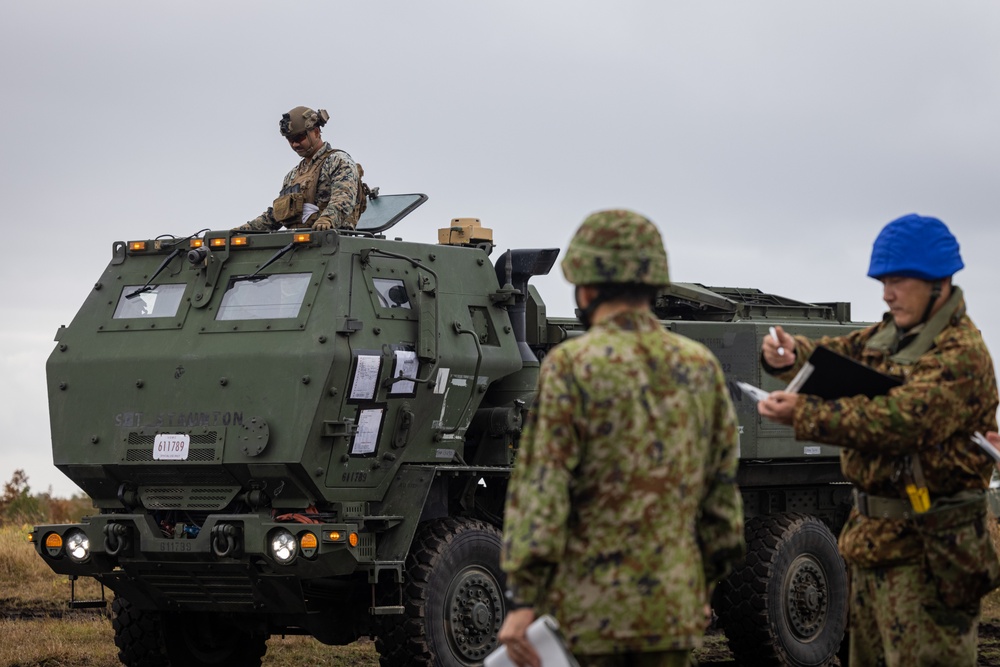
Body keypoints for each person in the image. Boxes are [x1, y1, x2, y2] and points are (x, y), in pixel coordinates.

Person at [497, 209, 745, 667]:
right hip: (673, 611)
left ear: (586, 289)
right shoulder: (699, 367)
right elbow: (722, 504)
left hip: (590, 615)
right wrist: (702, 584)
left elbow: (542, 493)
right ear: (654, 285)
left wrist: (523, 601)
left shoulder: (573, 365)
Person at [757, 213, 1000, 666]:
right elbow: (840, 355)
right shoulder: (891, 335)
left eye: (899, 280)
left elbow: (902, 419)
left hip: (931, 554)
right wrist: (789, 355)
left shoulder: (961, 353)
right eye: (883, 281)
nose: (887, 293)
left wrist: (805, 414)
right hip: (873, 545)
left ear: (939, 283)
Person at [239, 106, 363, 232]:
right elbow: (275, 215)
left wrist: (327, 220)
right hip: (295, 245)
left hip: (330, 242)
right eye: (290, 140)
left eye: (299, 138)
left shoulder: (338, 161)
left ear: (316, 132)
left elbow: (343, 199)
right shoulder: (292, 176)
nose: (295, 144)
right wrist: (243, 231)